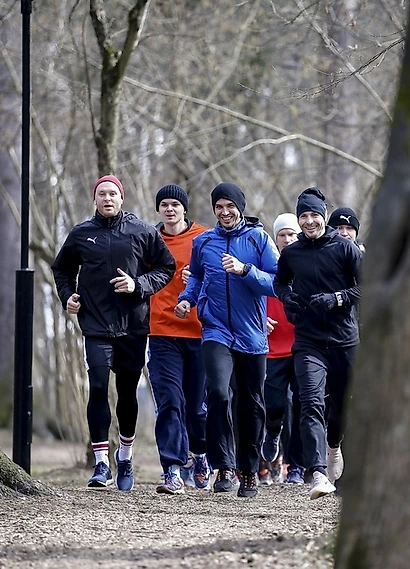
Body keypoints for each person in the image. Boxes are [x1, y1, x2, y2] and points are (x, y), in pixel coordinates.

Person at [51, 174, 175, 491]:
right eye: (102, 194)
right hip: (95, 324)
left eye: (113, 194)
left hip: (133, 324)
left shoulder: (143, 231)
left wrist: (139, 285)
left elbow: (166, 267)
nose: (107, 199)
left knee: (127, 393)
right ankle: (101, 464)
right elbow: (61, 269)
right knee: (96, 387)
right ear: (95, 199)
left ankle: (126, 456)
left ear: (122, 199)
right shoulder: (81, 234)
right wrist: (68, 297)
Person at [175, 182, 279, 498]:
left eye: (230, 206)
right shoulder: (204, 242)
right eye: (219, 206)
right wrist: (186, 300)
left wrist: (245, 269)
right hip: (215, 329)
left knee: (251, 403)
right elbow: (195, 277)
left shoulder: (259, 239)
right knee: (218, 393)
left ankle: (249, 472)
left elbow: (276, 283)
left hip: (252, 335)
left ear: (240, 208)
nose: (224, 212)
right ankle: (224, 467)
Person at [273, 187, 362, 499]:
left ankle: (334, 446)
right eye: (304, 216)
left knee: (343, 406)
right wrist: (287, 299)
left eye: (314, 215)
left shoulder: (344, 249)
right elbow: (279, 281)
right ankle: (318, 474)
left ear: (324, 216)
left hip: (344, 340)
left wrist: (337, 298)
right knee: (310, 403)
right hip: (308, 340)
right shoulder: (292, 253)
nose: (309, 221)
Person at [148, 184, 211, 495]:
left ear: (185, 209)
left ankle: (199, 455)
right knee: (170, 401)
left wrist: (200, 279)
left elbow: (222, 277)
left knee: (197, 408)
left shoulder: (204, 237)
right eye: (164, 205)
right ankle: (171, 468)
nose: (170, 209)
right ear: (159, 209)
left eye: (175, 204)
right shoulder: (149, 239)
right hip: (161, 331)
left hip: (199, 332)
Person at [261, 213, 305, 485]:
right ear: (275, 239)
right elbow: (253, 293)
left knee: (301, 406)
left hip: (302, 344)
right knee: (275, 405)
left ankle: (296, 466)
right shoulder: (267, 265)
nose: (287, 239)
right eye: (282, 235)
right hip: (272, 346)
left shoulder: (307, 262)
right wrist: (258, 319)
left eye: (291, 234)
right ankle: (273, 433)